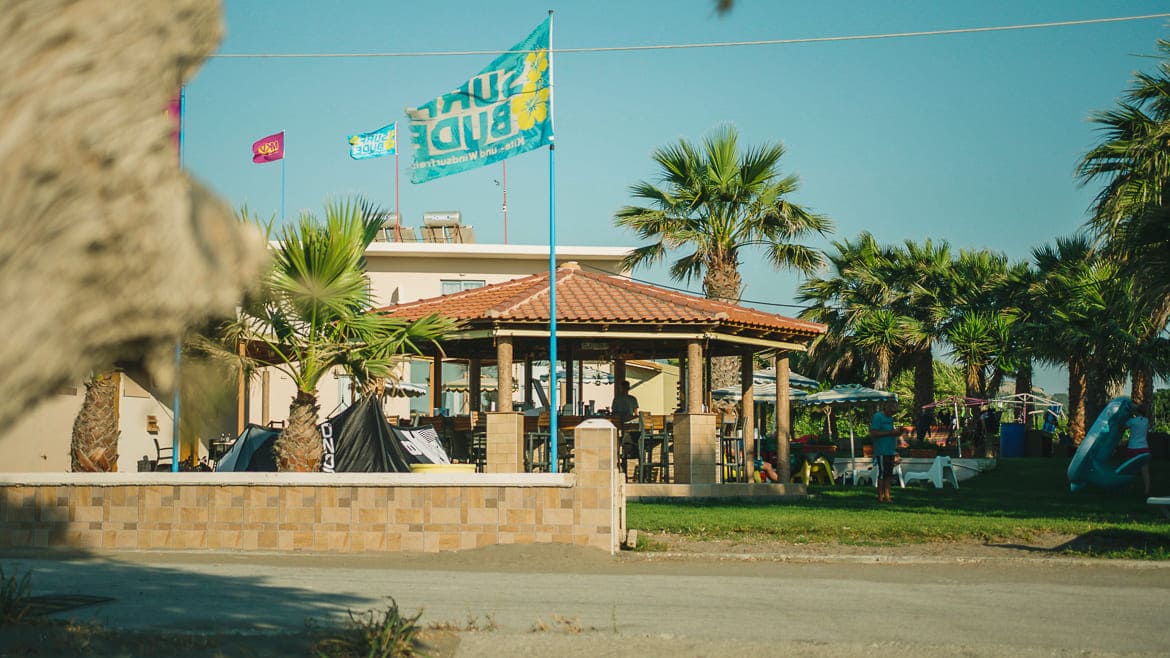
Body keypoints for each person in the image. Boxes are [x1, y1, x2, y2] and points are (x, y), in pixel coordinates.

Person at [869, 400, 904, 503]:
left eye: (894, 410)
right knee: (882, 473)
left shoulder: (891, 419)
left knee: (889, 474)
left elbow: (892, 434)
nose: (892, 412)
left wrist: (898, 432)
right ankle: (880, 496)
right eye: (891, 410)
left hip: (890, 450)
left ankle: (887, 496)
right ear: (885, 407)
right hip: (882, 450)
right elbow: (874, 433)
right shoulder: (878, 417)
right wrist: (891, 432)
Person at [1126, 403, 1152, 496]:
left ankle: (1129, 488)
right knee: (1145, 471)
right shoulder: (1146, 421)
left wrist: (1129, 414)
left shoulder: (1132, 421)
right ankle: (1147, 490)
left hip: (1133, 448)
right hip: (1144, 448)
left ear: (1136, 411)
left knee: (1130, 469)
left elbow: (1123, 426)